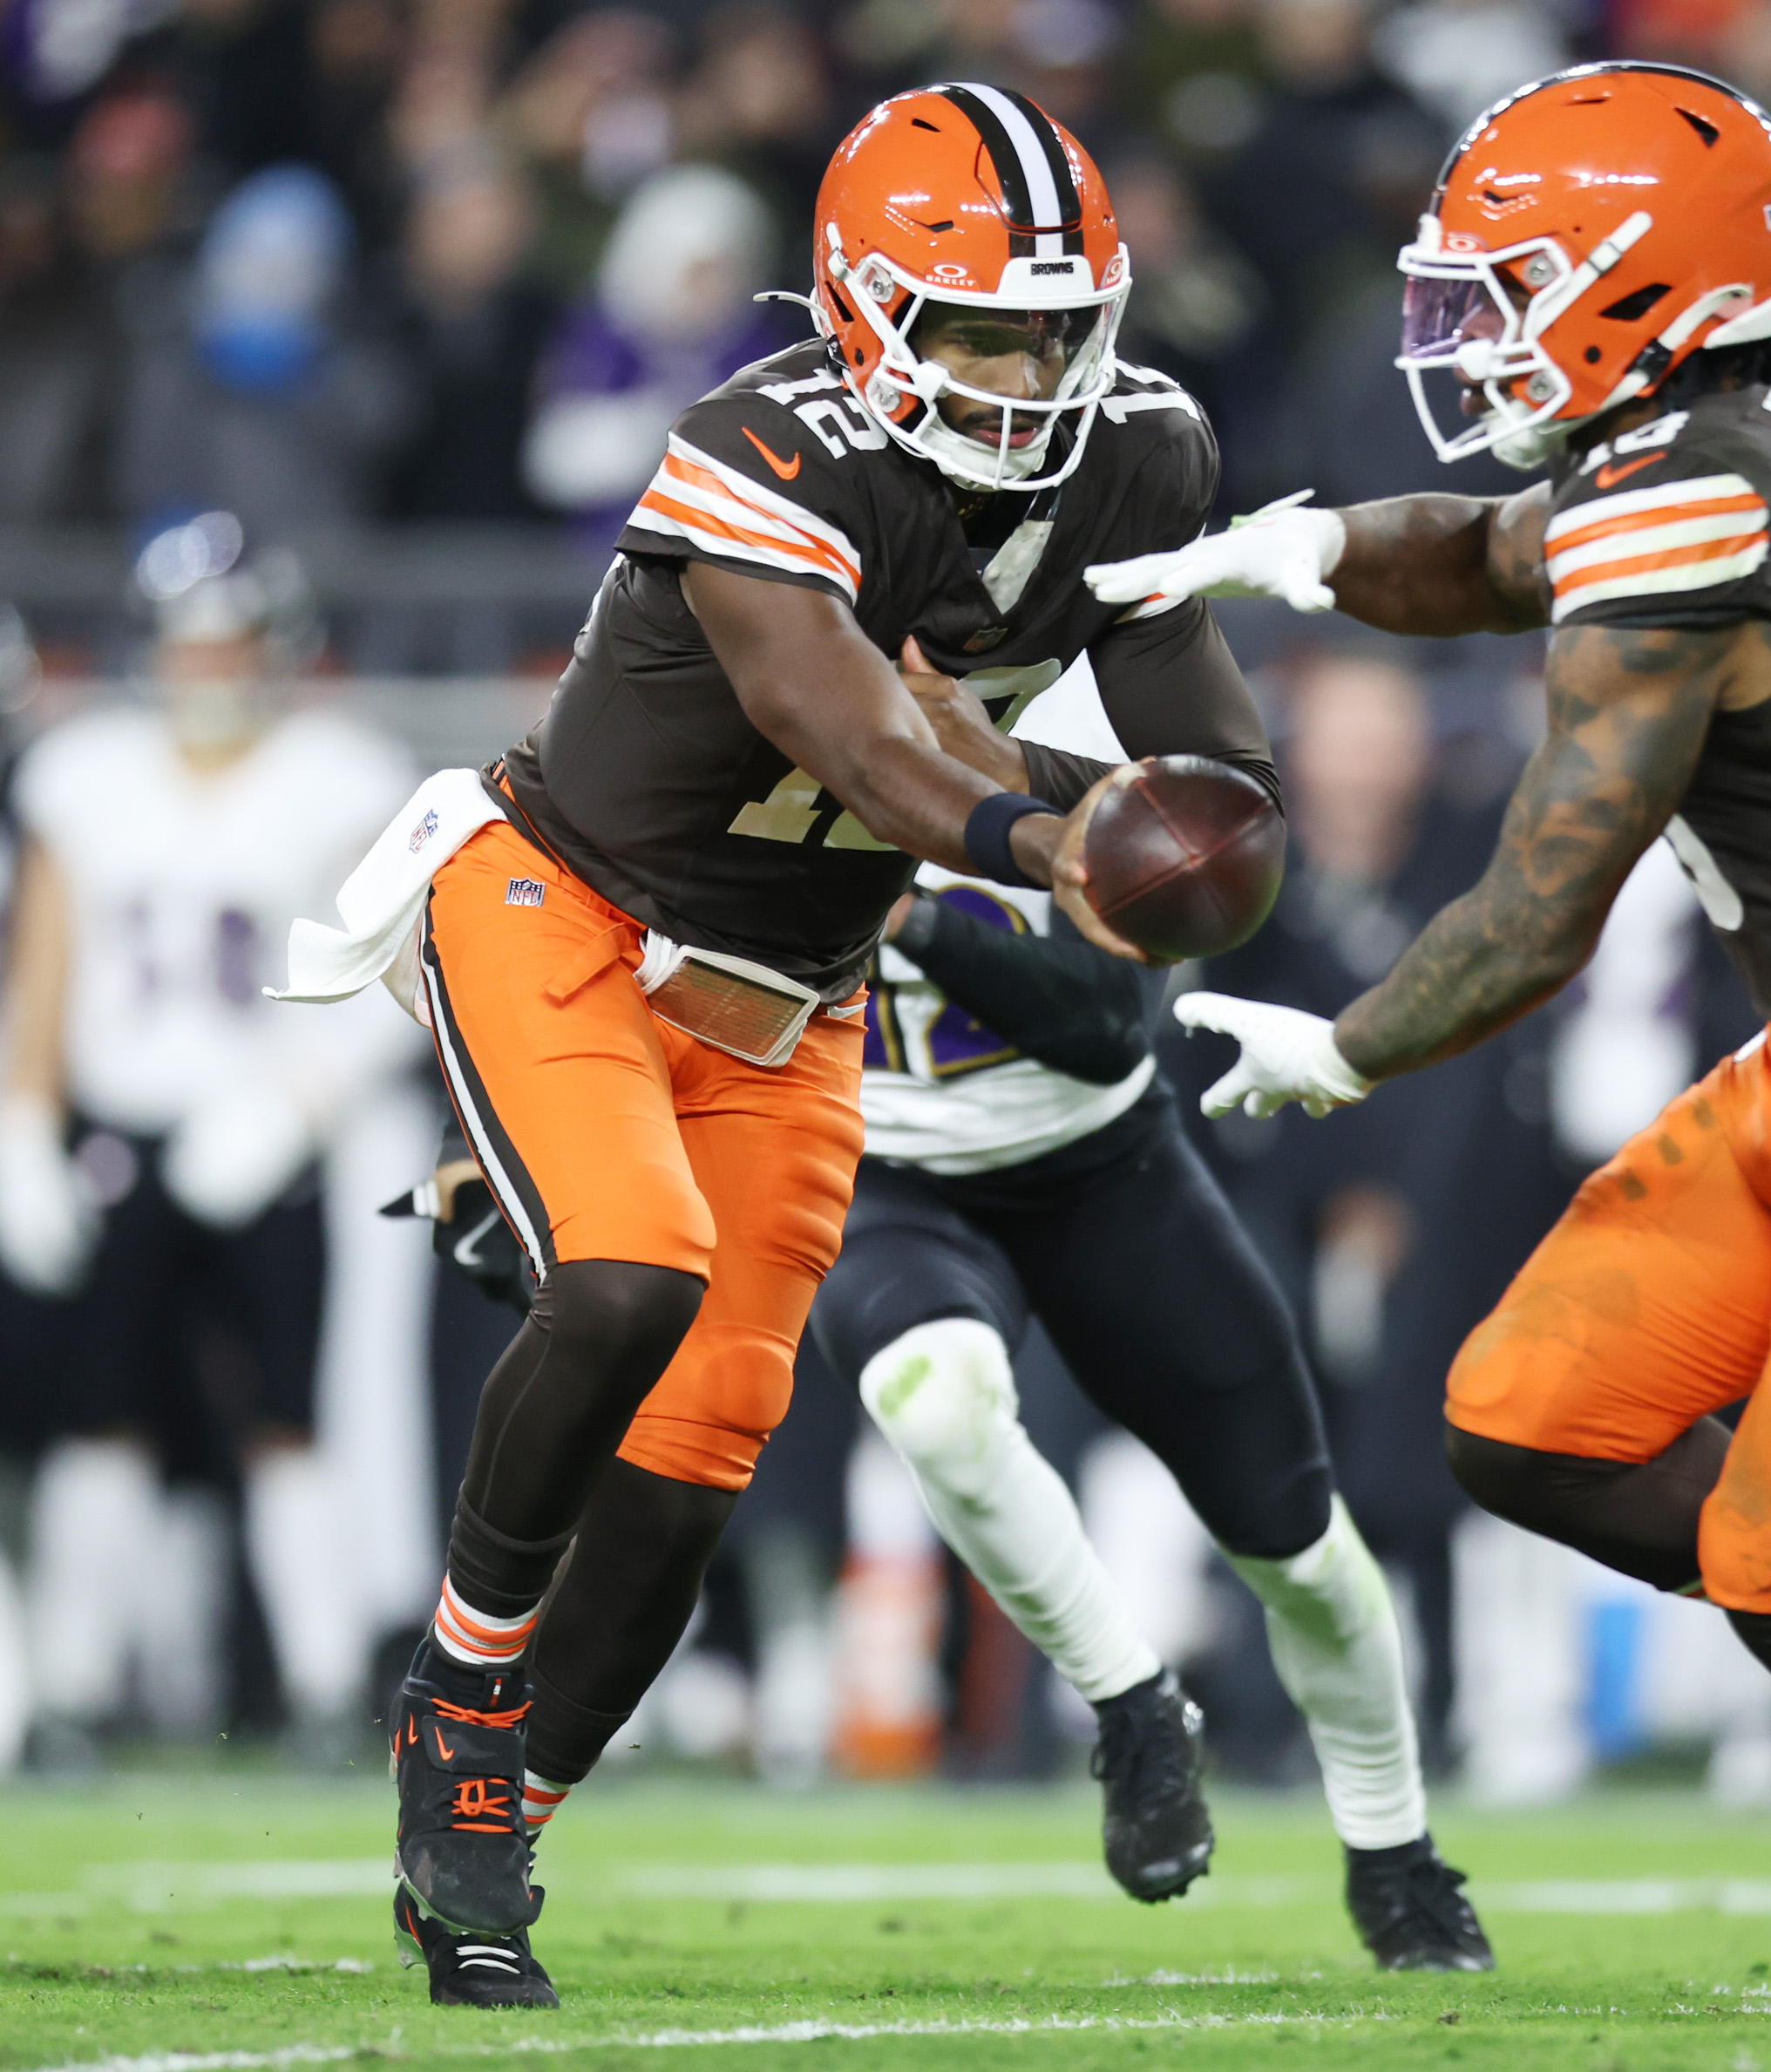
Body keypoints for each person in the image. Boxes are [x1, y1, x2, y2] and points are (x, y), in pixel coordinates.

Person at [1089, 61, 1771, 2044]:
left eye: (1513, 281)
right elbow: (1506, 550)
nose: (1480, 326)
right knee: (1523, 1415)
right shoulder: (1717, 418)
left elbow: (1539, 900)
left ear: (1633, 281)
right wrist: (1303, 550)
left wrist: (1338, 1047)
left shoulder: (1688, 485)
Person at [270, 84, 1258, 2009]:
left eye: (1058, 325)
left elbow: (1225, 791)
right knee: (631, 1272)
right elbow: (859, 742)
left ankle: (497, 1834)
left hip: (792, 992)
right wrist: (1056, 831)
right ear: (866, 305)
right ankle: (459, 1680)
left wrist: (1171, 833)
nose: (1028, 366)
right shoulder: (761, 447)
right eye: (981, 325)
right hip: (570, 907)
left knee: (708, 1445)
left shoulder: (1139, 456)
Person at [804, 730, 1490, 1965]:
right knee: (936, 1410)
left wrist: (907, 916)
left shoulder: (1075, 711)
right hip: (883, 1172)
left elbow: (1105, 1021)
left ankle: (1396, 1855)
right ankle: (1133, 1703)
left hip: (1101, 1164)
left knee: (1299, 1546)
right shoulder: (750, 685)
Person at [0, 524, 416, 1765]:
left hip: (269, 1131)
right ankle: (73, 1689)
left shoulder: (341, 772)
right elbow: (48, 965)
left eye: (230, 640)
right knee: (101, 1411)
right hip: (120, 1125)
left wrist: (304, 1096)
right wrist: (24, 1119)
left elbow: (397, 969)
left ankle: (328, 1682)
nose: (210, 665)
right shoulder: (87, 773)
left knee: (291, 1415)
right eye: (191, 642)